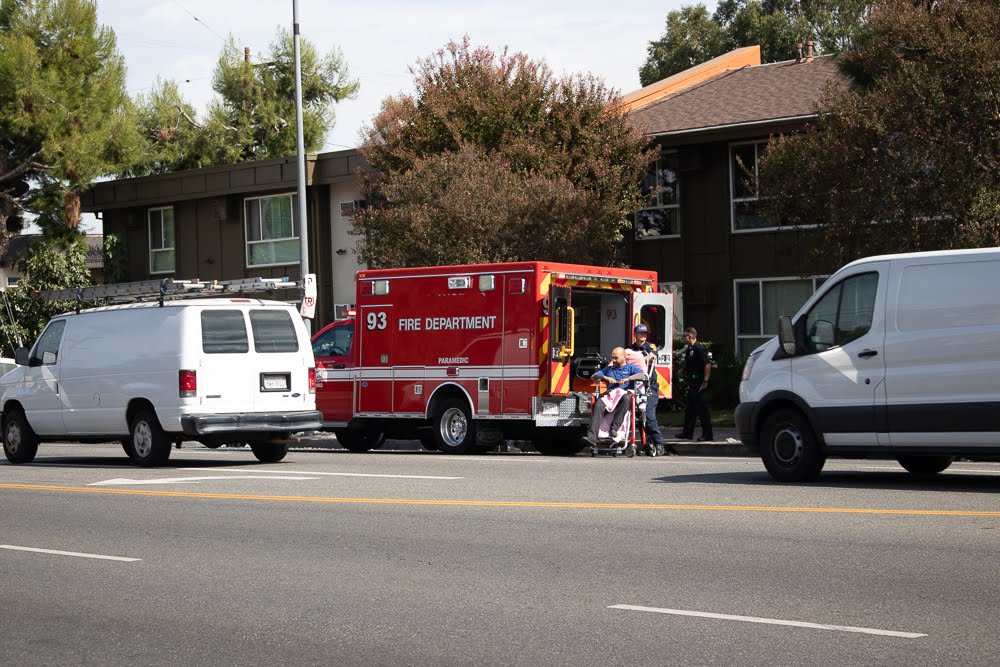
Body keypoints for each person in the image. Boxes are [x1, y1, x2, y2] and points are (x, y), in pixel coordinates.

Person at [584, 347, 647, 446]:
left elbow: (641, 375)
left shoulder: (630, 368)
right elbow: (594, 376)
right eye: (612, 358)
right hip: (611, 395)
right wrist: (606, 378)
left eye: (616, 358)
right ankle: (591, 437)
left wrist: (627, 379)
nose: (613, 360)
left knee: (627, 398)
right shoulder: (609, 369)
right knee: (599, 404)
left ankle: (614, 428)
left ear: (624, 357)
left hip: (624, 394)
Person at [627, 323, 667, 456]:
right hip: (635, 386)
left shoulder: (650, 346)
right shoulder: (630, 349)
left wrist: (641, 358)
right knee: (639, 417)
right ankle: (647, 444)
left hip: (649, 386)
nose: (643, 335)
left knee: (649, 416)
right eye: (640, 333)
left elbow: (653, 356)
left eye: (645, 333)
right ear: (635, 335)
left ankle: (659, 443)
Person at [675, 326, 713, 441]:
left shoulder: (699, 348)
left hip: (700, 383)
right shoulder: (689, 349)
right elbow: (689, 363)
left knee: (702, 410)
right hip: (693, 383)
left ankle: (707, 435)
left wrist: (705, 381)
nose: (682, 338)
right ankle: (687, 433)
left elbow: (707, 364)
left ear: (690, 336)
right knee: (690, 409)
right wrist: (682, 370)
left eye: (684, 336)